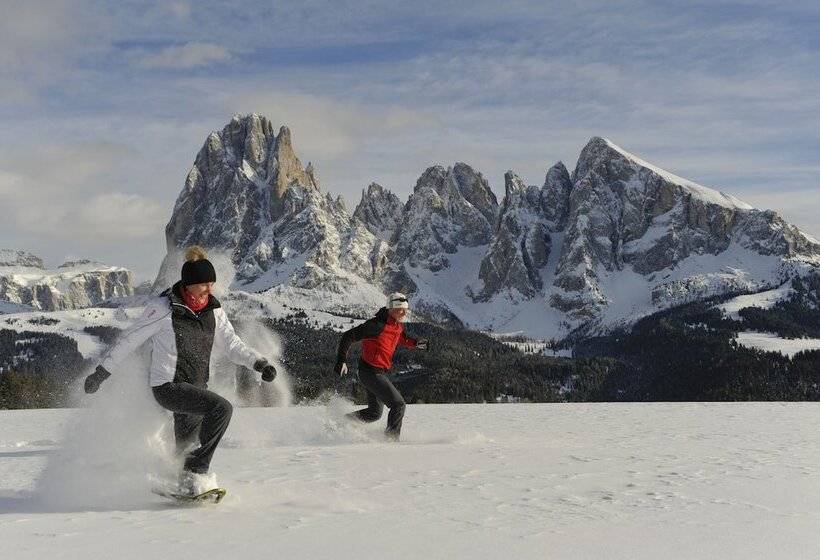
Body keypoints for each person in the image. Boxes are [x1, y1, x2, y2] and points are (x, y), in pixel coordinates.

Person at [83, 246, 279, 495]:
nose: (210, 289)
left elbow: (232, 344)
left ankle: (186, 485)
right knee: (221, 409)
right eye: (204, 284)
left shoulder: (213, 309)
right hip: (168, 387)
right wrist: (101, 373)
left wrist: (259, 363)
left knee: (186, 447)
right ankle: (196, 472)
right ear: (189, 284)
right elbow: (130, 339)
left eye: (211, 284)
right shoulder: (163, 308)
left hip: (196, 387)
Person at [335, 292, 428, 441]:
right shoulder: (375, 325)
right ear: (391, 308)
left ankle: (340, 423)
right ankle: (391, 441)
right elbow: (349, 336)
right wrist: (341, 360)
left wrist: (416, 343)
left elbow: (402, 338)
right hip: (370, 373)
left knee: (374, 413)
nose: (404, 313)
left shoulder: (396, 326)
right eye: (401, 309)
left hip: (378, 373)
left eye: (406, 309)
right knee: (398, 405)